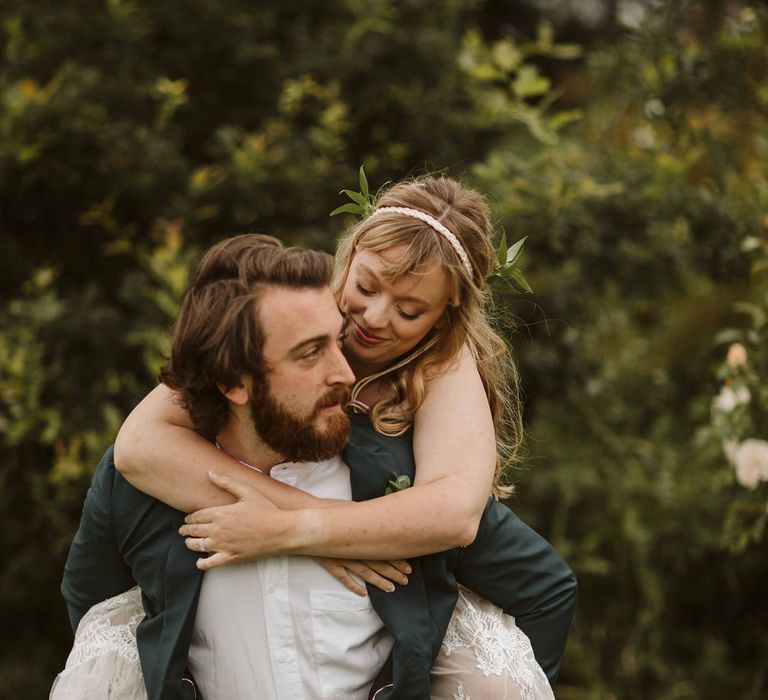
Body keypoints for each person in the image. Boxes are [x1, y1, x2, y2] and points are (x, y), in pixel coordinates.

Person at [114, 177, 577, 697]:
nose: (373, 319)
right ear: (349, 254)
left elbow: (456, 511)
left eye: (409, 311)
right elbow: (138, 446)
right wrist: (307, 525)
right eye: (366, 286)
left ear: (447, 315)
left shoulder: (446, 361)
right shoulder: (288, 315)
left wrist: (295, 532)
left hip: (419, 565)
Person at [55, 237, 391, 699]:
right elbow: (95, 616)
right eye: (310, 353)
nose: (345, 374)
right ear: (234, 381)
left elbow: (526, 593)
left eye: (338, 341)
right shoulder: (136, 489)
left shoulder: (396, 474)